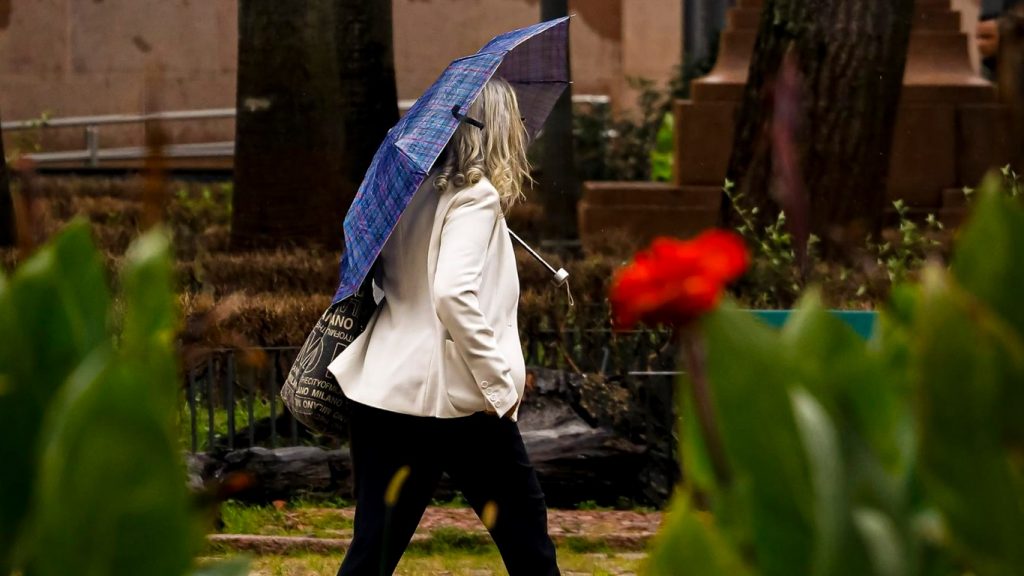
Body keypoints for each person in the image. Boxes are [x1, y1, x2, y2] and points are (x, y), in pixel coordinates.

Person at [328, 77, 561, 576]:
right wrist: (499, 381)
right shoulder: (476, 197)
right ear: (494, 129)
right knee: (527, 538)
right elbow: (453, 294)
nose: (521, 129)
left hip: (385, 392)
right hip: (458, 398)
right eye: (513, 119)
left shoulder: (406, 196)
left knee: (373, 549)